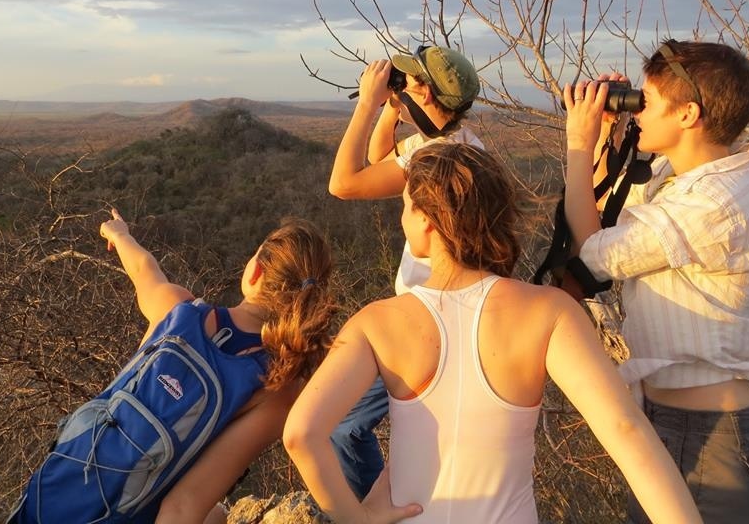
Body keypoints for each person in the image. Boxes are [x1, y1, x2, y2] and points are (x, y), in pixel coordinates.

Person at [284, 142, 703, 524]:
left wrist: (356, 518)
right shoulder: (549, 312)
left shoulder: (377, 322)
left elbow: (302, 434)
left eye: (408, 206)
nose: (403, 216)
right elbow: (626, 431)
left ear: (429, 222)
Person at [561, 40, 749, 523]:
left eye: (648, 100)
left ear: (687, 114)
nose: (639, 109)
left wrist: (576, 144)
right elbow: (606, 211)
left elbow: (590, 253)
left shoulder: (711, 206)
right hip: (678, 424)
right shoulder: (686, 179)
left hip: (712, 440)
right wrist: (608, 133)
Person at [11, 210, 335, 524]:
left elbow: (143, 268)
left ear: (255, 272)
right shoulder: (277, 386)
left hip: (46, 496)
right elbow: (183, 505)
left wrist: (118, 233)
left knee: (217, 515)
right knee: (216, 513)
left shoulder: (177, 310)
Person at [327, 46, 483, 498]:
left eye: (412, 81)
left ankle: (386, 509)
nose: (403, 84)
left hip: (427, 321)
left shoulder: (434, 160)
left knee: (344, 426)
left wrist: (366, 104)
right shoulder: (459, 143)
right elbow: (380, 155)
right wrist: (393, 110)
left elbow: (344, 183)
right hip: (441, 313)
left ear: (429, 95)